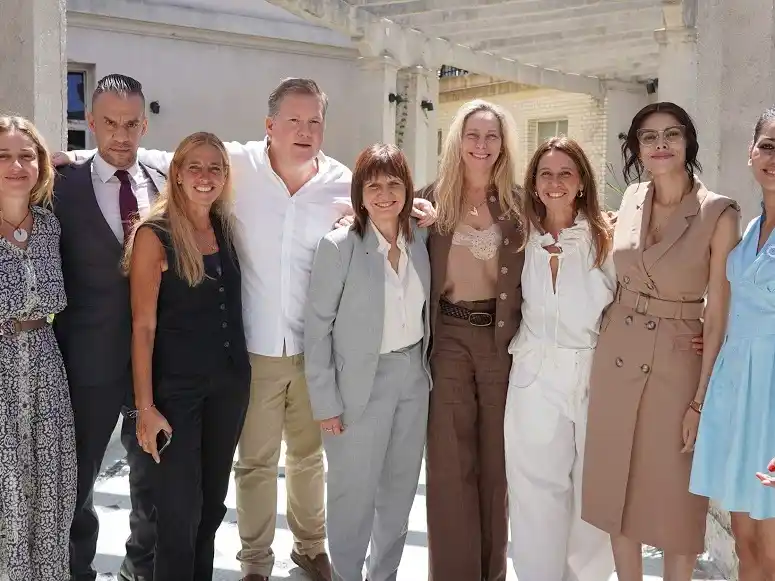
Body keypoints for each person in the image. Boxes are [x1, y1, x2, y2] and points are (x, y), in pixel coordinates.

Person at [60, 77, 435, 581]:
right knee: (254, 462)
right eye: (293, 120)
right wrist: (72, 157)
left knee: (308, 458)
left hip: (314, 349)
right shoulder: (236, 164)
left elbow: (382, 206)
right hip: (251, 349)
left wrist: (417, 207)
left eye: (314, 121)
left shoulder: (341, 183)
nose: (304, 131)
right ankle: (255, 560)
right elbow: (162, 154)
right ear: (269, 125)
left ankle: (310, 546)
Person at [581, 102, 740, 581]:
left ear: (688, 141)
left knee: (677, 503)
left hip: (678, 365)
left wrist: (700, 400)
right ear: (637, 149)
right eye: (648, 137)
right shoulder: (632, 197)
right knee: (617, 490)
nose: (661, 144)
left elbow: (718, 311)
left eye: (672, 134)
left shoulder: (719, 212)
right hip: (617, 356)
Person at [125, 132, 250, 580]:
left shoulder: (225, 228)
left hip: (228, 388)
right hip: (176, 392)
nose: (205, 176)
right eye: (194, 166)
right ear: (176, 173)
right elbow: (142, 327)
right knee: (179, 513)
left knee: (211, 508)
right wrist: (145, 408)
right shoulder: (154, 234)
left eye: (215, 167)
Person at [53, 74, 164, 581]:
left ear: (144, 125)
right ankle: (77, 571)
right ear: (91, 122)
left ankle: (141, 569)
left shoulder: (163, 185)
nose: (121, 135)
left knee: (154, 480)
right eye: (110, 123)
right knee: (77, 482)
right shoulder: (59, 186)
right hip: (86, 360)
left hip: (155, 363)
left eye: (131, 124)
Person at [304, 143, 432, 581]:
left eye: (394, 184)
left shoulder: (422, 239)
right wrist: (325, 403)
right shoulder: (338, 246)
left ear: (408, 189)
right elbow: (317, 329)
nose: (384, 194)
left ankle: (384, 575)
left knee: (399, 493)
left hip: (414, 379)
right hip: (358, 384)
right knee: (352, 496)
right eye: (373, 185)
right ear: (358, 192)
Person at [504, 136, 615, 581]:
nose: (555, 183)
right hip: (532, 374)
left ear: (582, 182)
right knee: (533, 491)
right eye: (545, 174)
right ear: (533, 184)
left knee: (594, 491)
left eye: (565, 173)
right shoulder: (517, 237)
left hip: (594, 373)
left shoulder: (607, 238)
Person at [422, 99, 523, 581]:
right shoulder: (428, 200)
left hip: (502, 342)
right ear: (457, 141)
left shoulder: (522, 205)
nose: (482, 145)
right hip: (448, 338)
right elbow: (375, 214)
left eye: (492, 136)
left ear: (504, 144)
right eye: (473, 135)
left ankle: (492, 573)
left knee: (496, 465)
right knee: (449, 463)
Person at [690, 106, 775, 579]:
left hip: (772, 401)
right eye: (769, 146)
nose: (774, 158)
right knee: (745, 540)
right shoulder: (750, 230)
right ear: (752, 152)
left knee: (772, 543)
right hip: (739, 397)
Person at [0, 116, 76, 580]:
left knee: (49, 492)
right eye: (3, 156)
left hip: (46, 372)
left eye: (26, 156)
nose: (16, 165)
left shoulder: (50, 226)